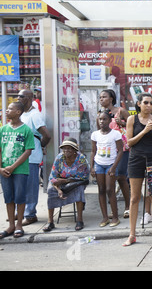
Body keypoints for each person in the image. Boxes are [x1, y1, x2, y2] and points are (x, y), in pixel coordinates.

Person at [123, 93, 152, 246]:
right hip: (136, 158)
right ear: (139, 104)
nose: (149, 105)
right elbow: (130, 142)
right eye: (145, 102)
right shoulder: (131, 119)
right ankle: (132, 234)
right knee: (134, 198)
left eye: (151, 103)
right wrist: (145, 130)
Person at [0, 102, 34, 239]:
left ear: (18, 112)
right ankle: (11, 225)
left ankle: (19, 225)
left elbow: (28, 151)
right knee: (8, 198)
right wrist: (1, 168)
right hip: (4, 170)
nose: (7, 111)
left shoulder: (26, 130)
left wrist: (13, 167)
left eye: (10, 109)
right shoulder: (3, 130)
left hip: (20, 170)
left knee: (20, 198)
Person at [17, 89, 51, 226]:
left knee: (30, 187)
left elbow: (46, 135)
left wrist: (40, 147)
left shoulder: (34, 115)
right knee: (21, 186)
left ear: (30, 98)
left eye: (21, 96)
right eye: (18, 96)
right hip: (21, 157)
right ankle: (21, 212)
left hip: (31, 157)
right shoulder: (22, 114)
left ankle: (30, 214)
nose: (18, 98)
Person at [42, 138, 90, 232]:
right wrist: (59, 189)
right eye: (64, 148)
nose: (66, 151)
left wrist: (65, 181)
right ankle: (50, 222)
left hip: (76, 182)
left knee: (79, 190)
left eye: (69, 148)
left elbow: (83, 178)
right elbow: (53, 177)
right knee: (51, 190)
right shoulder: (59, 158)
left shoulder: (81, 159)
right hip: (60, 182)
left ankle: (80, 220)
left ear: (74, 150)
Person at [99, 89, 130, 218]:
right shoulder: (100, 114)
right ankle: (114, 209)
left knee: (122, 177)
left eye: (104, 97)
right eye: (100, 97)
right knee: (110, 181)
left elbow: (133, 125)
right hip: (107, 151)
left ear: (111, 98)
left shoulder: (120, 111)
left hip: (122, 149)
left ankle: (128, 206)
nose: (101, 99)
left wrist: (122, 123)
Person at [91, 111, 123, 227]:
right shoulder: (95, 134)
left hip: (111, 164)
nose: (102, 122)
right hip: (99, 164)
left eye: (104, 119)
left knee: (110, 189)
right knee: (101, 189)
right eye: (100, 119)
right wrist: (92, 167)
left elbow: (120, 151)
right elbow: (93, 151)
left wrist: (114, 167)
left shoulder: (115, 134)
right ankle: (105, 217)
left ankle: (115, 216)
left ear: (110, 121)